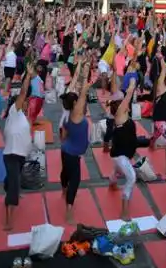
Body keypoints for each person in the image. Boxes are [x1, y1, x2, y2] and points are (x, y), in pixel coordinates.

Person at [3, 64, 34, 231]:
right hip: (11, 154)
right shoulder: (14, 112)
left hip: (20, 155)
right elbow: (22, 93)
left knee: (11, 180)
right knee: (15, 185)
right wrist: (28, 76)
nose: (26, 104)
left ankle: (7, 186)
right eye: (24, 103)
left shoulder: (22, 117)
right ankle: (9, 220)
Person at [60, 62, 90, 222]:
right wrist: (85, 75)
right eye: (77, 100)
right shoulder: (76, 114)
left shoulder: (69, 116)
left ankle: (63, 190)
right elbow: (84, 93)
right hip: (71, 153)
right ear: (74, 104)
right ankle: (69, 211)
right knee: (75, 180)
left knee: (65, 173)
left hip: (67, 150)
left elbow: (63, 135)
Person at [109, 77, 138, 221]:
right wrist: (132, 83)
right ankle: (124, 210)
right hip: (120, 156)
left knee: (117, 170)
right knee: (131, 177)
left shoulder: (123, 114)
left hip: (119, 154)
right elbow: (129, 95)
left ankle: (112, 183)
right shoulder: (121, 113)